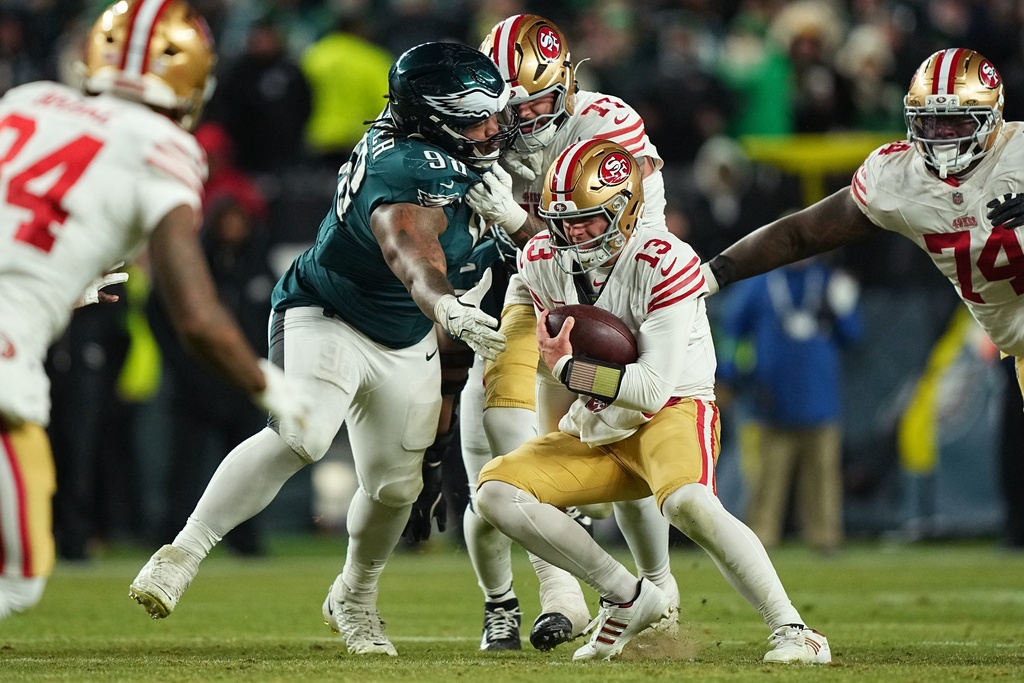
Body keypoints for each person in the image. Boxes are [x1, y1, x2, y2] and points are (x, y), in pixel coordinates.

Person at [128, 41, 527, 657]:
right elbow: (409, 247)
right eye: (477, 117)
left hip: (404, 337)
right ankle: (184, 551)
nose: (493, 128)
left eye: (496, 113)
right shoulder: (408, 163)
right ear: (432, 116)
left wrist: (522, 225)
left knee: (396, 489)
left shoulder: (479, 158)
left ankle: (355, 597)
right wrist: (445, 304)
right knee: (304, 433)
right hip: (330, 312)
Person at [0, 0, 308, 620]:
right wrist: (270, 386)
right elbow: (195, 314)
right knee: (19, 579)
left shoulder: (26, 100)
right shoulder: (163, 147)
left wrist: (57, 286)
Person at [474, 138, 831, 663]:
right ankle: (630, 597)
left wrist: (568, 369)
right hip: (597, 421)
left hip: (673, 410)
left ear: (625, 210)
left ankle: (794, 630)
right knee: (495, 495)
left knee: (688, 502)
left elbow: (650, 389)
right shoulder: (539, 258)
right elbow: (532, 320)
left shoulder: (665, 259)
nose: (573, 233)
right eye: (563, 220)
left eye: (589, 219)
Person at [461, 13, 679, 651]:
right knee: (496, 414)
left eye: (537, 104)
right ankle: (561, 590)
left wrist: (520, 223)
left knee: (620, 430)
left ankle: (657, 588)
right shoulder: (479, 129)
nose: (523, 122)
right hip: (533, 281)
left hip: (621, 283)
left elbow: (610, 243)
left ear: (567, 86)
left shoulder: (605, 124)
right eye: (509, 108)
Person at [700, 49, 1024, 413]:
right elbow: (802, 234)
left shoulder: (1018, 152)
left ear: (993, 118)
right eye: (932, 123)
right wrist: (711, 274)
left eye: (959, 123)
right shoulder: (899, 179)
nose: (944, 138)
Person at [718, 257, 863, 554]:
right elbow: (732, 327)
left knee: (823, 476)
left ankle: (825, 537)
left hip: (819, 397)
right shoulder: (761, 283)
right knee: (766, 478)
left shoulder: (828, 282)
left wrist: (843, 308)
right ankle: (760, 539)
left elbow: (853, 335)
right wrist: (728, 373)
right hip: (772, 398)